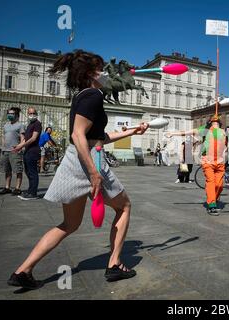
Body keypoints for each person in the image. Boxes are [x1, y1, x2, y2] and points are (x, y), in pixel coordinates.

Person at [8, 50, 149, 290]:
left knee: (69, 225)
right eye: (101, 68)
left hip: (76, 160)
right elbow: (77, 134)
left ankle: (23, 270)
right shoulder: (93, 95)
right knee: (124, 207)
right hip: (89, 162)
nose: (105, 73)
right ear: (91, 73)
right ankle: (114, 264)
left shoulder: (83, 96)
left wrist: (132, 131)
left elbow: (98, 136)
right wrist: (94, 174)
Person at [167, 115, 229, 215]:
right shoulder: (205, 130)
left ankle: (213, 200)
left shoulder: (224, 131)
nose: (215, 120)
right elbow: (188, 132)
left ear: (220, 123)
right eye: (213, 120)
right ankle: (212, 205)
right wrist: (173, 133)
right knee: (211, 182)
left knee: (219, 186)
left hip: (220, 162)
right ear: (210, 122)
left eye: (217, 120)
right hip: (207, 160)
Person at [12, 107, 42, 200]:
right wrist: (18, 146)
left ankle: (33, 193)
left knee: (32, 172)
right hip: (27, 151)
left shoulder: (37, 124)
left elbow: (33, 138)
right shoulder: (30, 125)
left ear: (36, 114)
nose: (31, 115)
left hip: (33, 151)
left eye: (33, 113)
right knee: (28, 172)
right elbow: (25, 138)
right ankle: (30, 190)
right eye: (30, 113)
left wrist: (21, 146)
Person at [0, 107, 25, 196]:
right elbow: (3, 136)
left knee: (18, 170)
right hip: (5, 151)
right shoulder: (5, 125)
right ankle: (7, 187)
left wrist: (20, 148)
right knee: (7, 170)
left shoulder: (20, 125)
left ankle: (17, 188)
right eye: (9, 113)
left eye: (12, 113)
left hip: (15, 151)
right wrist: (2, 146)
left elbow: (22, 138)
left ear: (16, 115)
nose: (10, 115)